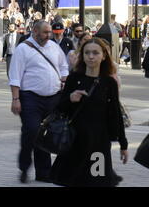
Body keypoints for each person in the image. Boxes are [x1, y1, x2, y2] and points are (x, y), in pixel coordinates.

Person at [50, 38, 128, 187]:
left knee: (97, 181)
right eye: (87, 53)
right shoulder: (74, 78)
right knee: (73, 180)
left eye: (95, 53)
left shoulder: (109, 82)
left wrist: (123, 145)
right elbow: (59, 108)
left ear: (103, 56)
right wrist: (71, 99)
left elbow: (115, 114)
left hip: (98, 142)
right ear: (82, 56)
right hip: (75, 140)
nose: (91, 56)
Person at [9, 20, 69, 184]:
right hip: (30, 98)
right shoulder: (23, 49)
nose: (48, 35)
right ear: (35, 31)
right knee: (32, 131)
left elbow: (64, 67)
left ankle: (44, 172)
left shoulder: (54, 47)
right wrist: (15, 99)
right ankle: (24, 166)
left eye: (49, 32)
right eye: (45, 32)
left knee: (46, 134)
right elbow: (15, 76)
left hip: (53, 97)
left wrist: (64, 80)